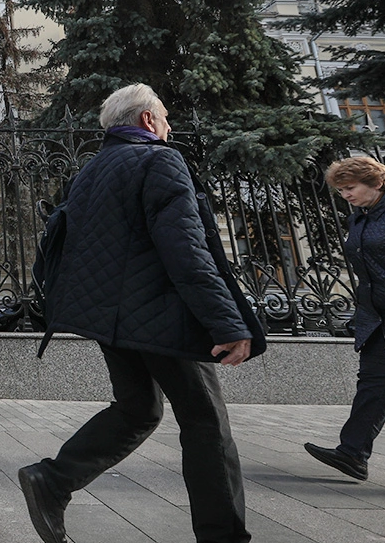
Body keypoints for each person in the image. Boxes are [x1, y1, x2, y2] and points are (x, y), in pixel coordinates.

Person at [19, 83, 265, 543]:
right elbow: (187, 249)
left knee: (138, 410)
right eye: (166, 117)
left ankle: (53, 480)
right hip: (159, 316)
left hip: (108, 319)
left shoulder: (89, 171)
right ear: (148, 121)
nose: (170, 126)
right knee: (205, 422)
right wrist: (226, 322)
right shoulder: (159, 160)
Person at [304, 156, 385, 481]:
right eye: (341, 189)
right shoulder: (358, 219)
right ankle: (352, 454)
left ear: (375, 183)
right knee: (373, 385)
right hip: (382, 318)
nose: (345, 194)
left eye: (350, 187)